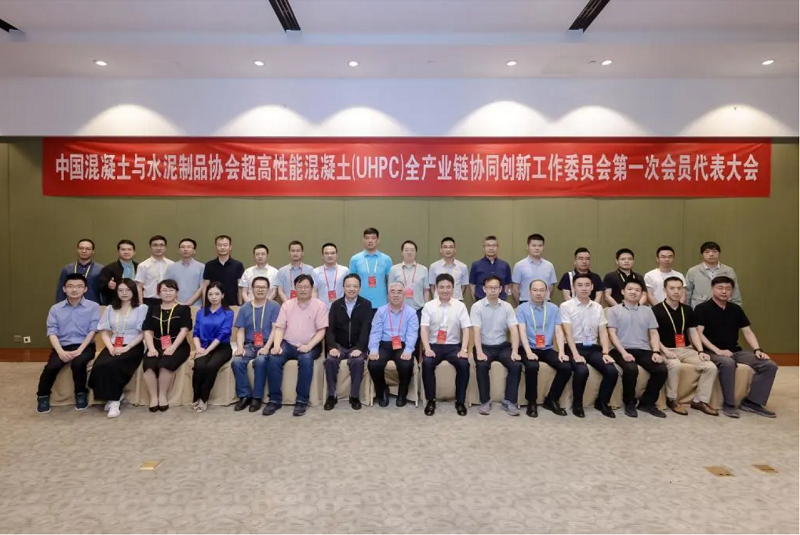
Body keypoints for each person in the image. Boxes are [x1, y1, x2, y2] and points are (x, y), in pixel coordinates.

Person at [696, 276, 778, 418]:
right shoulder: (702, 308)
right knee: (728, 363)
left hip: (735, 350)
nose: (724, 291)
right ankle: (729, 404)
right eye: (720, 288)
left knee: (769, 365)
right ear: (712, 289)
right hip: (711, 351)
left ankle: (752, 402)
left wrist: (757, 349)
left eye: (728, 289)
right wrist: (717, 351)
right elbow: (698, 333)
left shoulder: (735, 309)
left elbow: (747, 331)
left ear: (732, 291)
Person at [263, 274, 328, 417]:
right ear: (295, 288)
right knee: (273, 358)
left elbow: (321, 331)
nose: (303, 290)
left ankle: (301, 401)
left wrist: (309, 346)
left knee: (305, 359)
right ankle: (274, 400)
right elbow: (279, 328)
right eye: (300, 287)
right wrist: (277, 345)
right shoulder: (287, 305)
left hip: (311, 344)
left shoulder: (319, 306)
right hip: (288, 343)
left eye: (306, 287)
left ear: (312, 288)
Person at [652, 277, 719, 416]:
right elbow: (652, 334)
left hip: (686, 349)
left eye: (679, 288)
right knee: (675, 365)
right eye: (672, 288)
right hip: (666, 349)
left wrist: (700, 350)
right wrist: (663, 350)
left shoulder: (687, 310)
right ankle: (672, 399)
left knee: (710, 366)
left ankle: (700, 401)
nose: (676, 291)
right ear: (665, 290)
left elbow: (693, 331)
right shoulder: (656, 310)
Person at [37, 273, 101, 414]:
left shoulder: (93, 307)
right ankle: (42, 396)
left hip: (85, 345)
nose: (74, 290)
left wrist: (80, 350)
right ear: (64, 289)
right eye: (70, 286)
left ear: (85, 289)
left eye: (79, 286)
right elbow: (52, 332)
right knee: (51, 367)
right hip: (62, 346)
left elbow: (93, 331)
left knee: (78, 363)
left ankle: (80, 394)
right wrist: (60, 352)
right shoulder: (55, 309)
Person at [516, 280, 580, 418]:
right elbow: (522, 332)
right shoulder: (522, 308)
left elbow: (558, 331)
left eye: (541, 290)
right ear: (529, 292)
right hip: (528, 347)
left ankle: (551, 400)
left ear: (547, 292)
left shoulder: (553, 308)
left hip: (547, 348)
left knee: (566, 367)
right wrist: (529, 352)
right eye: (535, 290)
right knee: (532, 366)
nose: (538, 293)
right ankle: (531, 402)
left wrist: (561, 352)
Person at [606, 279, 669, 418]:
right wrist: (624, 353)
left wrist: (656, 351)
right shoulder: (613, 311)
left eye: (637, 290)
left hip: (643, 349)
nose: (633, 292)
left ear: (641, 293)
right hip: (619, 349)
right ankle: (629, 402)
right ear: (623, 291)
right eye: (630, 289)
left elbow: (654, 333)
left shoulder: (648, 311)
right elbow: (612, 334)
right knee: (631, 368)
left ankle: (647, 403)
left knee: (661, 369)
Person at [87, 278, 148, 418]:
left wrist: (127, 348)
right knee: (100, 365)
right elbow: (104, 332)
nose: (124, 293)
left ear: (133, 291)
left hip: (133, 345)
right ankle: (116, 395)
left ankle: (114, 402)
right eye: (120, 290)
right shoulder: (110, 308)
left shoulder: (141, 308)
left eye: (127, 290)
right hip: (114, 344)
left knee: (114, 364)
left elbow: (143, 333)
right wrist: (111, 348)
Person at [560, 274, 618, 418]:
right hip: (574, 347)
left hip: (592, 347)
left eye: (587, 285)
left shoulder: (598, 307)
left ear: (592, 287)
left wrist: (606, 353)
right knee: (582, 370)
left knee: (612, 371)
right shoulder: (566, 306)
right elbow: (567, 333)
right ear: (574, 287)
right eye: (580, 285)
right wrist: (575, 354)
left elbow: (603, 332)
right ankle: (577, 405)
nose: (584, 288)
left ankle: (602, 403)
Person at [420, 274, 472, 416]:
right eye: (441, 287)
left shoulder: (460, 306)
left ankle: (460, 401)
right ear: (436, 288)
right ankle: (431, 400)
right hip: (434, 345)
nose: (445, 290)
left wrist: (464, 349)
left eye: (448, 287)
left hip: (453, 346)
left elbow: (466, 329)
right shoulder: (429, 306)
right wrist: (427, 349)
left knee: (463, 364)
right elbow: (424, 329)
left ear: (453, 288)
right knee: (427, 363)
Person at [471, 275, 521, 417]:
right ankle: (485, 401)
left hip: (502, 346)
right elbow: (476, 331)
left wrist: (515, 351)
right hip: (484, 346)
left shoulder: (507, 307)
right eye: (489, 287)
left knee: (516, 364)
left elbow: (514, 330)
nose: (492, 290)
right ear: (484, 289)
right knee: (481, 365)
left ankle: (509, 401)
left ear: (501, 289)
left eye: (495, 287)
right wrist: (479, 351)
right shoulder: (477, 307)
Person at [142, 279, 193, 411]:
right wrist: (151, 348)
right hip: (156, 344)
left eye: (171, 290)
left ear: (176, 293)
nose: (168, 293)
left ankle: (162, 395)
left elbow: (184, 330)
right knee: (149, 364)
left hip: (178, 345)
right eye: (164, 290)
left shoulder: (183, 309)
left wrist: (173, 347)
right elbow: (147, 330)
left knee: (165, 364)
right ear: (159, 293)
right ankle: (154, 397)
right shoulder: (153, 308)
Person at [231, 277, 281, 412]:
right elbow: (240, 331)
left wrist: (267, 347)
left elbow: (275, 329)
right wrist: (240, 347)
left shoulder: (274, 306)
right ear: (252, 289)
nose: (260, 290)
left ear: (268, 290)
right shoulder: (244, 308)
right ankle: (244, 396)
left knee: (260, 361)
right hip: (249, 345)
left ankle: (257, 397)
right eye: (257, 287)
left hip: (267, 344)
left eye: (263, 287)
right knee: (237, 362)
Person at [325, 274, 374, 410]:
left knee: (358, 362)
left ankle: (354, 396)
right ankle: (331, 395)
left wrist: (360, 348)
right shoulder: (336, 305)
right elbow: (330, 329)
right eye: (348, 286)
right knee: (330, 361)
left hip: (357, 345)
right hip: (339, 345)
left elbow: (366, 329)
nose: (351, 289)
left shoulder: (366, 304)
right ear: (343, 287)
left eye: (355, 286)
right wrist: (332, 347)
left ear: (359, 288)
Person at [368, 282, 419, 408]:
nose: (396, 295)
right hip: (384, 344)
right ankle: (382, 391)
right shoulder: (381, 311)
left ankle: (402, 393)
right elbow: (375, 332)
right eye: (393, 292)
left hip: (402, 345)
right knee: (373, 364)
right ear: (388, 295)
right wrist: (373, 349)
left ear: (404, 295)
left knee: (406, 364)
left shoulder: (411, 312)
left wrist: (408, 350)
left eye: (399, 292)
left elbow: (412, 334)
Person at [191, 282, 234, 412]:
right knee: (199, 365)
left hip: (222, 347)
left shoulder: (228, 313)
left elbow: (223, 334)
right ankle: (196, 397)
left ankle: (204, 399)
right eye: (210, 294)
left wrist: (207, 351)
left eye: (217, 294)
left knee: (211, 366)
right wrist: (198, 348)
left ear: (222, 295)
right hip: (203, 346)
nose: (213, 297)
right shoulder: (201, 312)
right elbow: (196, 332)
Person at [685, 241, 742, 308]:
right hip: (699, 310)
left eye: (715, 251)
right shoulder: (693, 271)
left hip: (724, 309)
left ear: (719, 253)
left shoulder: (728, 271)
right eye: (707, 252)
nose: (711, 254)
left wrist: (736, 309)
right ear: (702, 254)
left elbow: (735, 294)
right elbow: (687, 294)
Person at [388, 239, 430, 326]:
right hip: (399, 310)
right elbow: (390, 290)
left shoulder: (423, 269)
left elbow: (426, 290)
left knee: (417, 333)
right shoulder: (394, 269)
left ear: (416, 253)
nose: (409, 252)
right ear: (402, 253)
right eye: (406, 250)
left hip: (418, 310)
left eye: (412, 250)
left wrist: (426, 308)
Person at [349, 228, 393, 309]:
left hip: (381, 303)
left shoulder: (386, 259)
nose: (370, 241)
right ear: (363, 240)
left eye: (373, 238)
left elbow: (390, 282)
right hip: (360, 304)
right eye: (367, 238)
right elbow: (351, 282)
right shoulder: (355, 259)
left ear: (378, 240)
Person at [512, 233, 557, 304]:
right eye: (534, 245)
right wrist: (520, 305)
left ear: (543, 247)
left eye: (540, 246)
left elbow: (551, 287)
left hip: (545, 302)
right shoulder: (519, 265)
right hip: (525, 302)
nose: (537, 248)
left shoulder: (549, 266)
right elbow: (515, 288)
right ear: (528, 247)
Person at [56, 238, 104, 304]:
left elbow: (105, 292)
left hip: (93, 306)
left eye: (88, 249)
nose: (84, 251)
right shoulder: (67, 269)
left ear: (93, 251)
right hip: (70, 306)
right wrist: (60, 305)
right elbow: (60, 291)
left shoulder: (101, 269)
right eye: (81, 248)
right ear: (77, 250)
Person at [202, 235, 245, 308]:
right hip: (213, 305)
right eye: (219, 245)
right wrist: (204, 305)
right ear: (216, 247)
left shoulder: (238, 265)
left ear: (230, 247)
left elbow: (240, 286)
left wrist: (240, 304)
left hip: (232, 304)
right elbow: (205, 286)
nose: (222, 247)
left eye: (225, 245)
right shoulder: (209, 265)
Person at [469, 235, 512, 301]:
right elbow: (472, 286)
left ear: (497, 248)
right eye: (488, 245)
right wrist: (475, 301)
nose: (491, 248)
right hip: (481, 302)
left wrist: (504, 298)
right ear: (483, 248)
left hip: (500, 302)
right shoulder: (476, 265)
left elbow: (507, 285)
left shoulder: (505, 265)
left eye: (494, 245)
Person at [164, 238, 205, 306]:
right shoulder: (171, 267)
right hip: (174, 304)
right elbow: (167, 286)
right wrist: (174, 300)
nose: (185, 249)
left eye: (189, 247)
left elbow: (202, 287)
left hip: (195, 305)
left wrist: (189, 302)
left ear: (194, 251)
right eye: (183, 247)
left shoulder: (201, 267)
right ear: (179, 250)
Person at [134, 235, 174, 304]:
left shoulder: (172, 265)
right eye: (155, 245)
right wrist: (141, 304)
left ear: (165, 248)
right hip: (149, 300)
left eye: (161, 245)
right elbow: (139, 287)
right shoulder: (143, 265)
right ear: (150, 248)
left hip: (168, 300)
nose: (158, 248)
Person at [98, 239, 138, 306]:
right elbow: (101, 287)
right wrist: (108, 285)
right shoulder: (109, 268)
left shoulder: (140, 267)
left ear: (134, 252)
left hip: (136, 302)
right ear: (118, 252)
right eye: (123, 249)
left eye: (129, 249)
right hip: (115, 303)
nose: (126, 252)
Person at [429, 237, 469, 302]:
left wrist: (457, 298)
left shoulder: (463, 267)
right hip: (438, 302)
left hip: (457, 301)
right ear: (441, 250)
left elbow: (464, 286)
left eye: (451, 247)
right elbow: (432, 286)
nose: (448, 250)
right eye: (445, 247)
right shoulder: (434, 266)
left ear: (455, 250)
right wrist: (436, 299)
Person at [313, 243, 350, 309]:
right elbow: (314, 291)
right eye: (326, 253)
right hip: (321, 309)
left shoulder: (345, 271)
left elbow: (348, 290)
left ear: (337, 255)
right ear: (322, 256)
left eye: (333, 253)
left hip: (341, 308)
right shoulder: (315, 272)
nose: (330, 256)